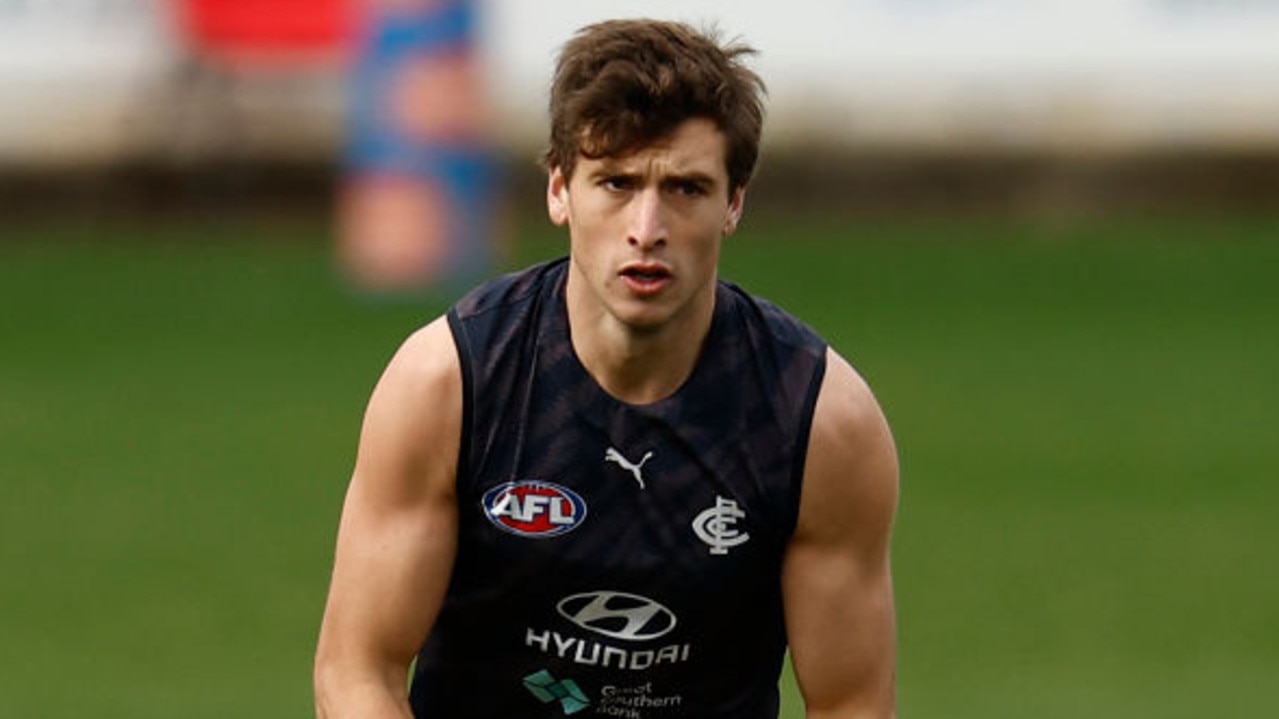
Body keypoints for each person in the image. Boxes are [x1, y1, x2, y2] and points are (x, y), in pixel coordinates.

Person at [314, 18, 899, 719]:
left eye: (684, 188)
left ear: (733, 202)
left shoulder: (819, 421)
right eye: (615, 182)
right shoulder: (448, 384)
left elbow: (849, 702)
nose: (645, 227)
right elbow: (358, 670)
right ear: (559, 190)